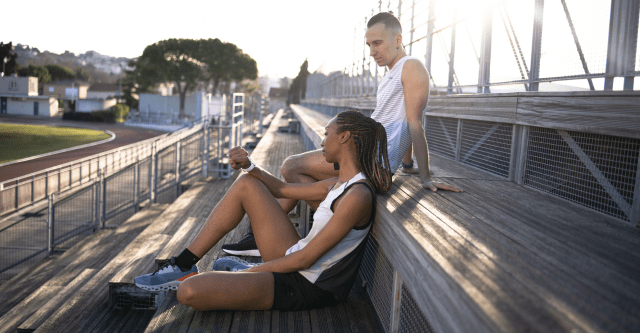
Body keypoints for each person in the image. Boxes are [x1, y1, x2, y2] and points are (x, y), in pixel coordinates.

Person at [220, 11, 461, 258]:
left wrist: (426, 176)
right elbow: (399, 120)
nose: (372, 51)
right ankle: (311, 231)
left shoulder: (411, 67)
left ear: (398, 40)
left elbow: (414, 122)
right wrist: (407, 164)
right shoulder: (392, 72)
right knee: (295, 169)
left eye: (377, 43)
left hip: (371, 160)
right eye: (369, 45)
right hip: (368, 155)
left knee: (291, 167)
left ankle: (280, 236)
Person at [134, 110, 392, 311]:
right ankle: (184, 264)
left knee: (188, 293)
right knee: (247, 183)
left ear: (345, 137)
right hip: (294, 258)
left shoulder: (357, 195)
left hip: (307, 286)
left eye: (327, 134)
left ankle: (237, 272)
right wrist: (249, 164)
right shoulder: (337, 185)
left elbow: (305, 261)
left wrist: (247, 273)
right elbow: (280, 189)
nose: (323, 141)